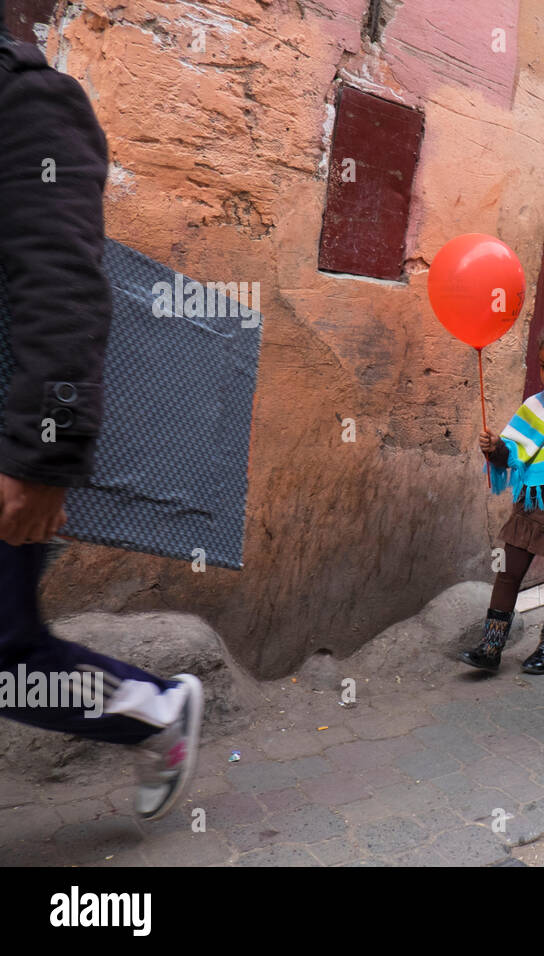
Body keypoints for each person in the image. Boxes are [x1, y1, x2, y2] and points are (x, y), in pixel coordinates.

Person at [0, 21, 201, 821]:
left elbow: (67, 293)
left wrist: (42, 458)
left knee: (7, 653)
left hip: (8, 449)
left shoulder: (27, 99)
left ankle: (156, 710)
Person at [462, 327, 544, 674]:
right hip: (531, 504)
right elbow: (512, 456)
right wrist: (495, 448)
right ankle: (491, 646)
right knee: (508, 573)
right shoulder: (533, 407)